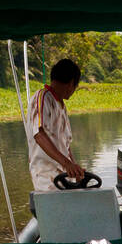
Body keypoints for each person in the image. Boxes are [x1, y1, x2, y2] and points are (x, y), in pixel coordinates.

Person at [27, 58, 85, 191]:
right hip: (46, 176)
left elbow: (66, 145)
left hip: (64, 176)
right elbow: (39, 134)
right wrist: (67, 163)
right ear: (71, 83)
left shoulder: (61, 105)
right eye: (75, 86)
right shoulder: (42, 97)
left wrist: (74, 168)